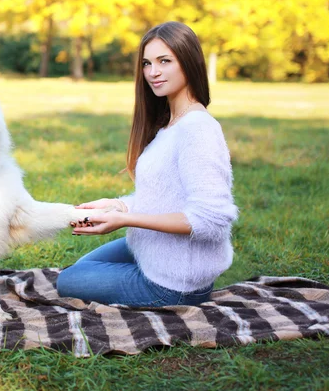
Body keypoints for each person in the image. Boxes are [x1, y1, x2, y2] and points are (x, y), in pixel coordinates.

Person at [57, 21, 238, 307]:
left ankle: (138, 283)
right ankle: (128, 273)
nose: (153, 72)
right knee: (80, 269)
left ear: (188, 62)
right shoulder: (171, 124)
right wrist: (118, 206)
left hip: (174, 285)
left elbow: (211, 219)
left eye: (164, 61)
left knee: (67, 281)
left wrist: (126, 220)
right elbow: (165, 195)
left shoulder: (198, 129)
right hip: (155, 253)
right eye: (147, 63)